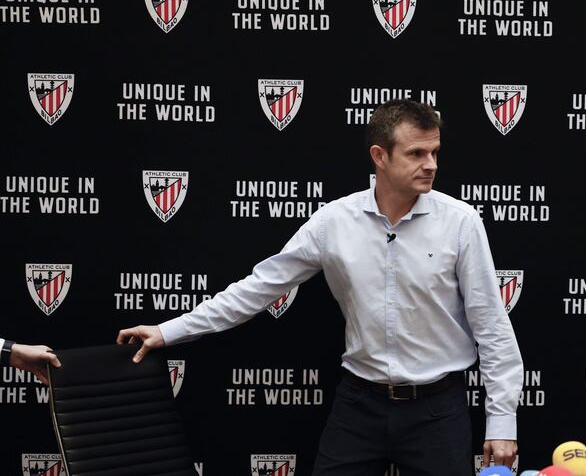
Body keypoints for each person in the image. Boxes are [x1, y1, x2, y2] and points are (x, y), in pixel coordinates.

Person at [117, 99, 524, 475]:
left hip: (438, 410)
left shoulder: (461, 222)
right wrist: (167, 331)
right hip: (359, 406)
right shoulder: (334, 222)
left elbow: (490, 324)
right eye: (416, 153)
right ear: (379, 157)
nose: (430, 164)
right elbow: (258, 288)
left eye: (434, 152)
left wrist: (503, 421)